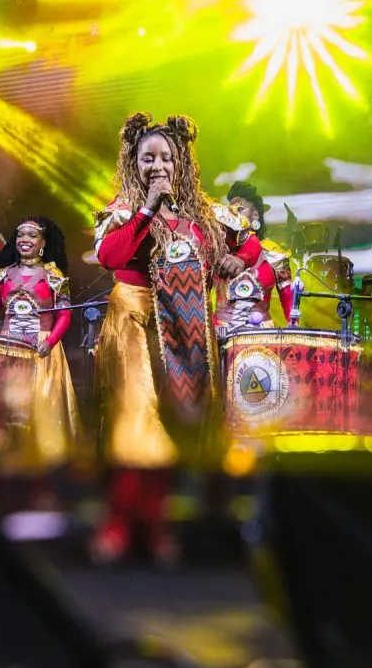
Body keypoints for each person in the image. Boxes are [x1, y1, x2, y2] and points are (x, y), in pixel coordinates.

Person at [91, 112, 233, 565]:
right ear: (133, 162)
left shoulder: (197, 218)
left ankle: (155, 524)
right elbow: (111, 257)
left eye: (166, 158)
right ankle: (120, 524)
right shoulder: (123, 210)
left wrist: (233, 264)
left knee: (174, 424)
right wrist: (148, 208)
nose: (157, 165)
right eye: (147, 157)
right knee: (136, 420)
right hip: (134, 320)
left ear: (181, 164)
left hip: (182, 326)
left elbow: (243, 247)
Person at [0, 216, 81, 469]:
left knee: (40, 406)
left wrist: (50, 342)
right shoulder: (3, 275)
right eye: (21, 235)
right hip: (8, 348)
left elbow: (65, 314)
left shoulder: (54, 275)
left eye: (32, 235)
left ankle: (47, 460)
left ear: (43, 243)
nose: (25, 240)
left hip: (42, 350)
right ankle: (6, 457)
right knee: (10, 406)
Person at [211, 180, 294, 336]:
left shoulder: (274, 253)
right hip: (222, 334)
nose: (234, 213)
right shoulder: (217, 251)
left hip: (262, 336)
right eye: (231, 209)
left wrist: (296, 334)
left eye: (240, 209)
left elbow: (289, 300)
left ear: (255, 214)